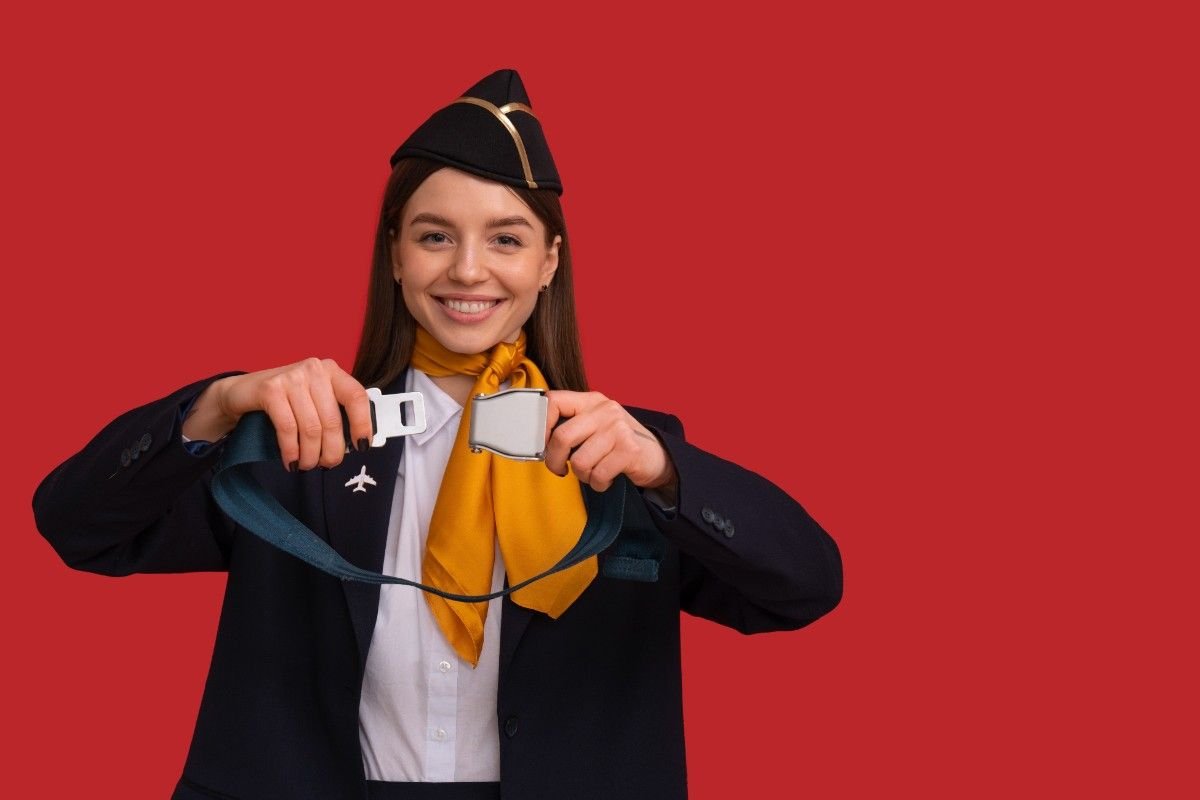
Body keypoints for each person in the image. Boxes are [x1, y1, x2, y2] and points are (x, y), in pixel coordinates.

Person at [33, 69, 842, 800]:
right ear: (395, 254)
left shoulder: (623, 455)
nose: (467, 270)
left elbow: (804, 587)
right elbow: (78, 527)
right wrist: (214, 406)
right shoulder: (301, 437)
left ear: (549, 262)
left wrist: (665, 472)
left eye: (506, 238)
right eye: (434, 235)